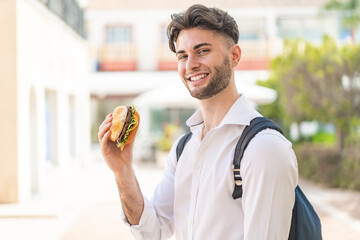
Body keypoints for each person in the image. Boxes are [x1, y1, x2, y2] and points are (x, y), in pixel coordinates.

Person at [98, 4, 298, 240]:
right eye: (182, 55)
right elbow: (153, 232)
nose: (190, 64)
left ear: (234, 56)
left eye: (202, 51)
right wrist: (122, 172)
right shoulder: (184, 149)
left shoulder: (264, 148)